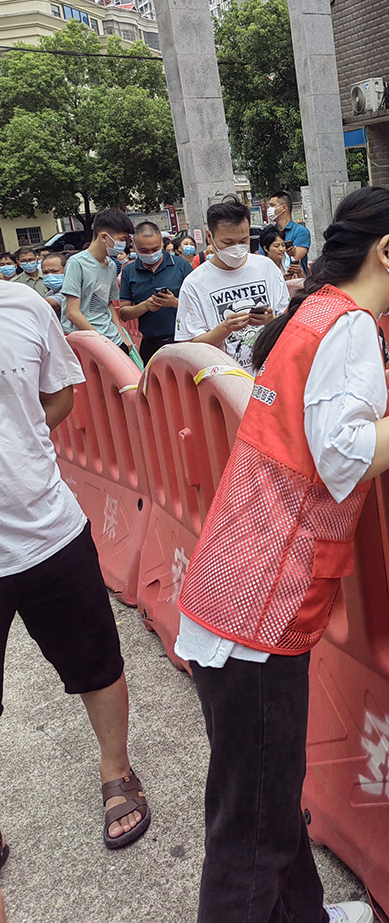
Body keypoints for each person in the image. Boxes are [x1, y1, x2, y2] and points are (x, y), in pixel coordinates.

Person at [174, 186, 389, 923]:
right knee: (250, 835)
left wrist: (385, 382)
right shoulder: (349, 322)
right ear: (387, 251)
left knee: (267, 798)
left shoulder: (315, 311)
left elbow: (315, 410)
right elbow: (344, 454)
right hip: (260, 611)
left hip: (230, 589)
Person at [0, 284, 151, 851]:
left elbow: (60, 395)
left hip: (48, 529)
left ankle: (117, 769)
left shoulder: (23, 307)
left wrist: (19, 446)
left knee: (95, 659)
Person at [175, 200, 289, 373]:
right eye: (227, 242)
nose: (236, 249)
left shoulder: (267, 268)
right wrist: (225, 328)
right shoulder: (194, 284)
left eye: (243, 240)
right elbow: (190, 349)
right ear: (209, 236)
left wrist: (271, 322)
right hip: (225, 381)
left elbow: (289, 323)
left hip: (271, 374)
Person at [61, 208, 136, 352]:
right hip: (87, 341)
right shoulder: (77, 263)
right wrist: (100, 342)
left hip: (111, 337)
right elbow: (72, 313)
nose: (124, 245)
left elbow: (108, 303)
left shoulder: (111, 265)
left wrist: (121, 334)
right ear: (104, 237)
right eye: (122, 239)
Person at [119, 221, 192, 364]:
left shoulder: (181, 265)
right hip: (150, 345)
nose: (151, 254)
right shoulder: (129, 271)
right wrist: (145, 306)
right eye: (144, 250)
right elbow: (124, 313)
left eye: (155, 249)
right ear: (134, 245)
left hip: (183, 341)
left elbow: (198, 305)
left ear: (162, 243)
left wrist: (175, 303)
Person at [262, 191, 311, 275]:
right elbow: (262, 260)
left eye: (272, 205)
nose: (269, 209)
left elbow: (292, 260)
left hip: (295, 280)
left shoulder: (301, 232)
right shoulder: (268, 232)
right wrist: (286, 254)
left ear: (283, 208)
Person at [41, 251, 68, 317]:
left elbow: (51, 302)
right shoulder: (49, 294)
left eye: (55, 271)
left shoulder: (70, 290)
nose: (50, 275)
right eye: (45, 272)